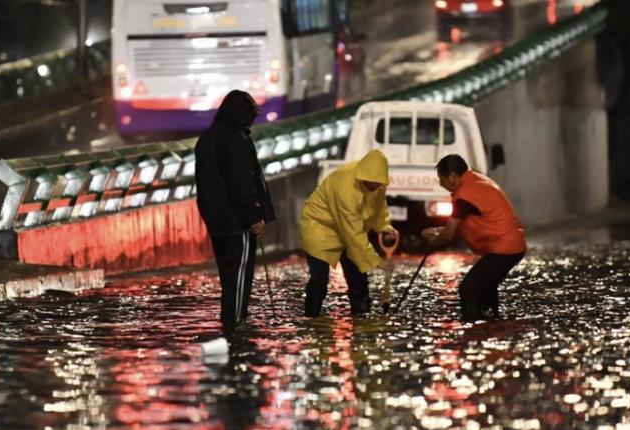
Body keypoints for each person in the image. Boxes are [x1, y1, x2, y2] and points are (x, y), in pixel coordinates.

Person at [195, 90, 276, 334]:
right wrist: (254, 216)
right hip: (237, 221)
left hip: (216, 220)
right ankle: (235, 323)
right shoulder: (235, 139)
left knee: (228, 276)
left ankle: (229, 320)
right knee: (240, 276)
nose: (257, 114)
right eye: (252, 109)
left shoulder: (207, 138)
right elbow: (242, 182)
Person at [421, 153, 525, 321]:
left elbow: (448, 236)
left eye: (441, 179)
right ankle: (492, 323)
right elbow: (461, 224)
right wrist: (438, 231)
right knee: (486, 286)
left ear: (453, 177)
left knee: (468, 289)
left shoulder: (464, 196)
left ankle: (473, 326)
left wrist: (434, 239)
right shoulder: (476, 182)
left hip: (503, 248)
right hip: (513, 246)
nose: (441, 184)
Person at [300, 149, 397, 316]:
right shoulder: (344, 186)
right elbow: (353, 234)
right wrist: (377, 262)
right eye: (371, 182)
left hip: (349, 230)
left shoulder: (378, 184)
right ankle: (312, 318)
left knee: (358, 278)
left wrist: (384, 227)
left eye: (378, 183)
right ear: (363, 175)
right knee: (319, 278)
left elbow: (379, 208)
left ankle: (362, 318)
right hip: (320, 227)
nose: (375, 186)